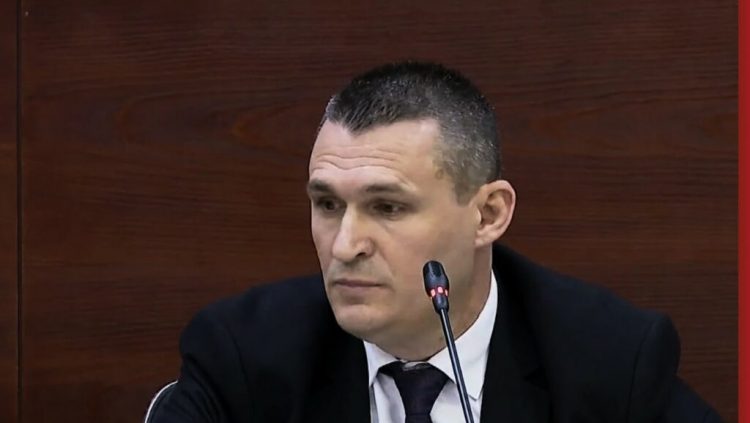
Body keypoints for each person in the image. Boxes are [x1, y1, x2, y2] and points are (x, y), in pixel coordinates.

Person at [148, 61, 722, 423]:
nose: (345, 245)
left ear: (488, 215)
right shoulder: (244, 353)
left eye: (387, 207)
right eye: (327, 205)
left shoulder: (607, 360)